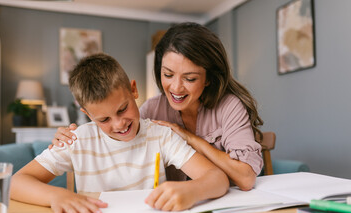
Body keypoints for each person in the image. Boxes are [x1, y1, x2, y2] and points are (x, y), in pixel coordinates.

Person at [10, 53, 229, 213]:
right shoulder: (77, 140)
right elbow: (16, 183)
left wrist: (192, 190)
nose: (118, 124)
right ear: (87, 114)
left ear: (133, 90)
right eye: (103, 119)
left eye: (123, 109)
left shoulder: (160, 135)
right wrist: (56, 196)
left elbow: (217, 179)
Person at [50, 22, 264, 191]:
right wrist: (70, 139)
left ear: (208, 79)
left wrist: (191, 139)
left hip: (224, 202)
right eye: (168, 74)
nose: (176, 88)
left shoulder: (229, 107)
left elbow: (245, 178)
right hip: (172, 209)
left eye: (189, 78)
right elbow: (120, 141)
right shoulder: (152, 110)